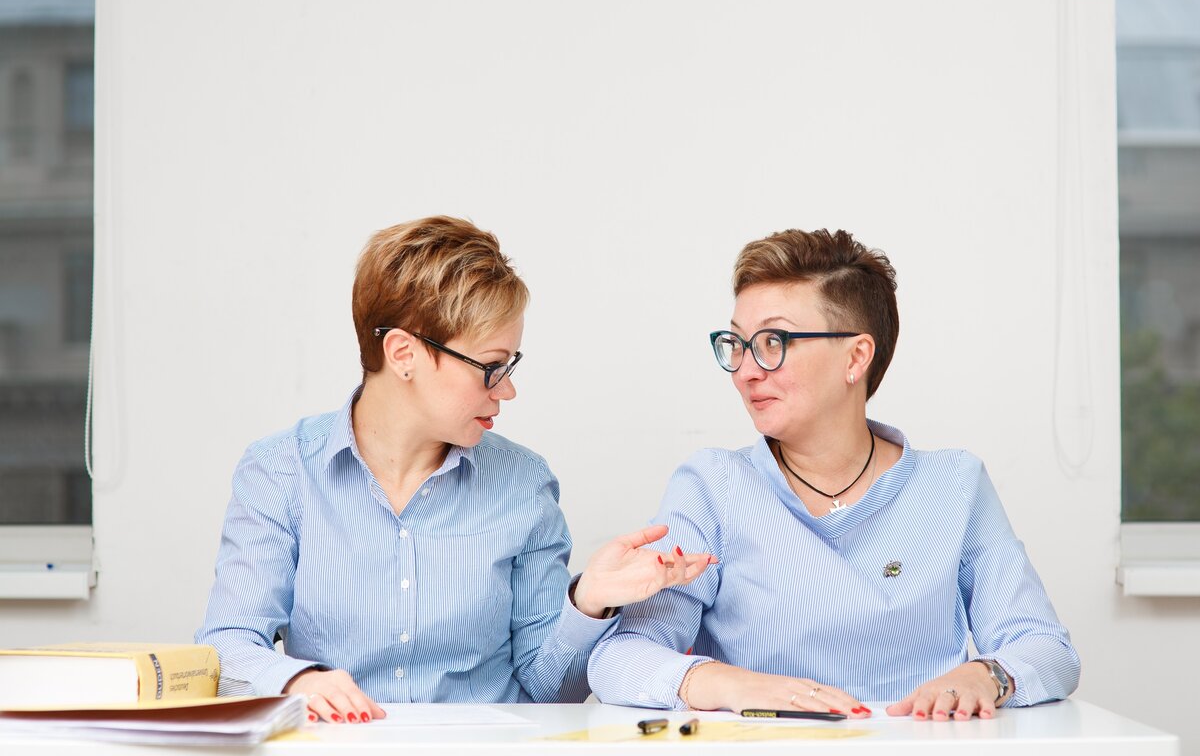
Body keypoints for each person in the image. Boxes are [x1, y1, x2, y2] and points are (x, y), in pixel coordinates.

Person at [196, 216, 714, 724]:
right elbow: (228, 645)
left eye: (510, 366)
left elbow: (549, 690)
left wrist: (588, 602)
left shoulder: (523, 483)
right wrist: (299, 682)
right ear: (404, 353)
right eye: (491, 367)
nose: (507, 389)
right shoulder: (281, 472)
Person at [588, 228, 1079, 721]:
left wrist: (985, 675)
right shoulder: (712, 485)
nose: (745, 371)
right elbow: (619, 657)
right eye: (737, 343)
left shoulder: (954, 484)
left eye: (773, 341)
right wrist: (730, 684)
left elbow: (1047, 648)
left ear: (856, 357)